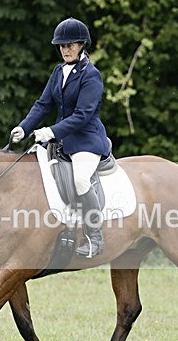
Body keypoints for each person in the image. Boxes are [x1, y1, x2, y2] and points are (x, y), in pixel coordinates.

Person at [10, 17, 110, 258]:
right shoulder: (58, 71)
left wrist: (52, 132)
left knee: (81, 181)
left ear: (82, 45)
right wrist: (24, 127)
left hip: (86, 140)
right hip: (62, 141)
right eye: (62, 46)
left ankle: (95, 237)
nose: (65, 50)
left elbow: (83, 115)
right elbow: (43, 104)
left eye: (71, 45)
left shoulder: (91, 75)